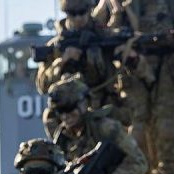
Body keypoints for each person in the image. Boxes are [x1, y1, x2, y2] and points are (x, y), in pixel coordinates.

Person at [93, 0, 174, 174]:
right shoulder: (115, 6)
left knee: (165, 127)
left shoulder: (171, 8)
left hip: (168, 72)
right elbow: (95, 29)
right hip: (133, 74)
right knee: (137, 127)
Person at [37, 0, 127, 137]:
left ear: (89, 10)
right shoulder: (57, 46)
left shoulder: (102, 36)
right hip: (70, 112)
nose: (78, 18)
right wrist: (62, 61)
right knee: (50, 115)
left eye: (82, 12)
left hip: (102, 105)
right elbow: (42, 85)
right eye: (73, 14)